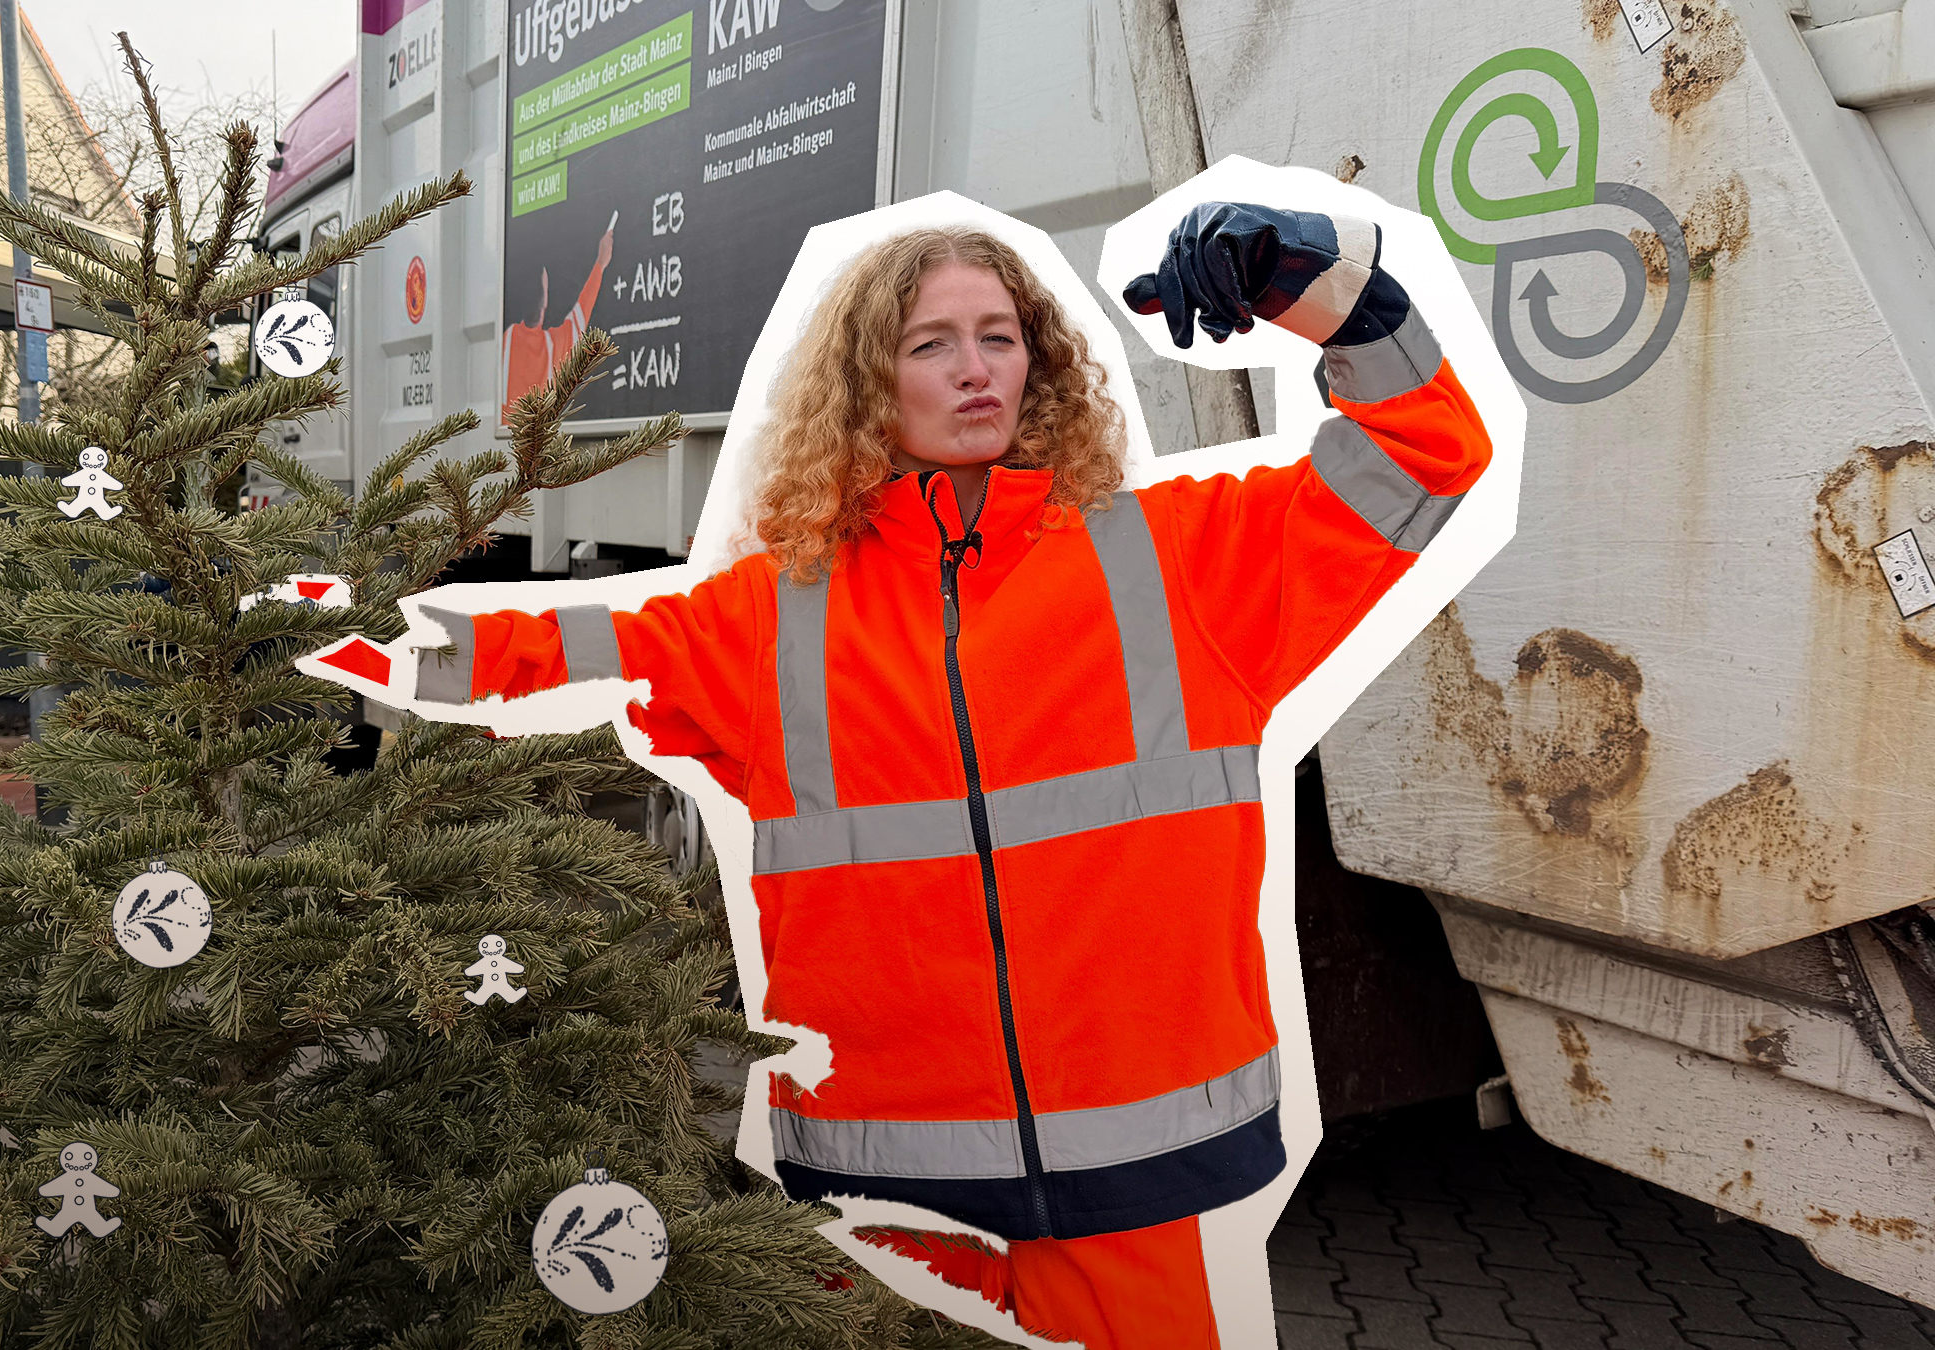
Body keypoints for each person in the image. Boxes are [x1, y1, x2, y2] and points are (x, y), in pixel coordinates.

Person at [319, 200, 1493, 1348]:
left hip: (1127, 1174)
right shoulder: (773, 617)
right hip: (885, 1190)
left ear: (1038, 360)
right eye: (930, 343)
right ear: (870, 382)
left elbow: (1426, 458)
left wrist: (1325, 291)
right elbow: (539, 653)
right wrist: (311, 624)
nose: (975, 369)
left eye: (999, 336)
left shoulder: (1180, 560)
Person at [502, 217, 614, 420]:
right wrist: (600, 263)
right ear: (544, 300)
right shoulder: (552, 346)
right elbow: (581, 312)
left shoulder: (505, 342)